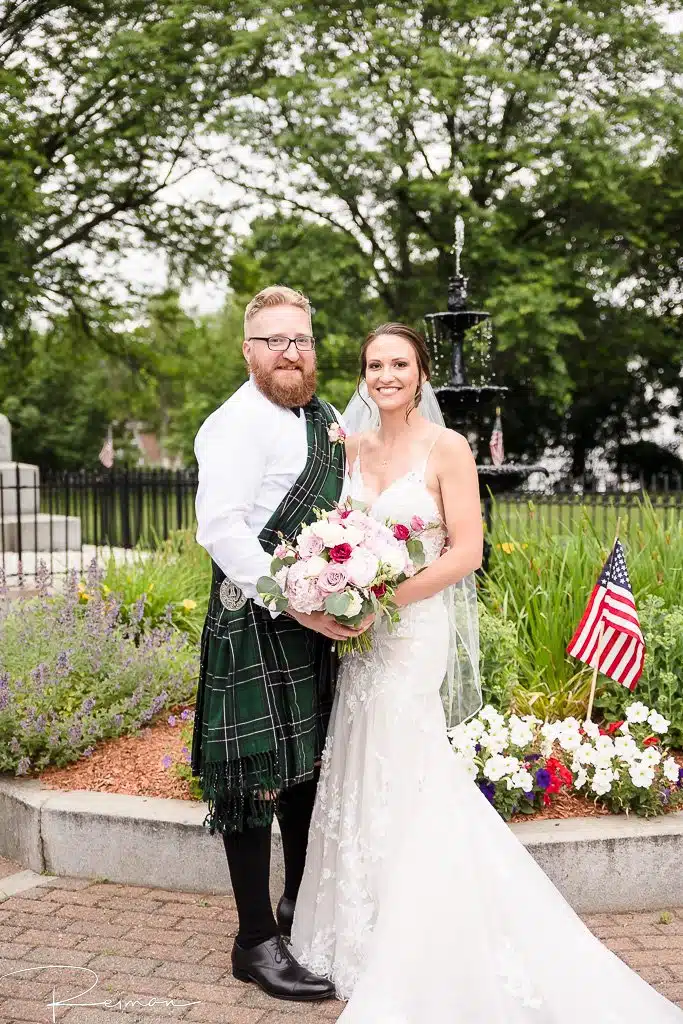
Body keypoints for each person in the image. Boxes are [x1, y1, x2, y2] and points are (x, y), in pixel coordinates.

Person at [289, 322, 683, 1022]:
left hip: (411, 632)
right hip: (360, 635)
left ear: (419, 373)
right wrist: (327, 585)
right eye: (374, 364)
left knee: (407, 758)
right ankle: (359, 927)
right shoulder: (346, 448)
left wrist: (380, 601)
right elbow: (331, 535)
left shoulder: (448, 449)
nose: (385, 376)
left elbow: (466, 552)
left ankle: (427, 933)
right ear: (362, 373)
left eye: (399, 364)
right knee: (358, 757)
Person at [191, 285, 367, 1003]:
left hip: (313, 616)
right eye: (274, 341)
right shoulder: (233, 424)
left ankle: (295, 910)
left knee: (305, 772)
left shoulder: (325, 416)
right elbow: (222, 529)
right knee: (250, 779)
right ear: (248, 350)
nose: (290, 353)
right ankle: (254, 941)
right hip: (257, 616)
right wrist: (292, 598)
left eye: (301, 339)